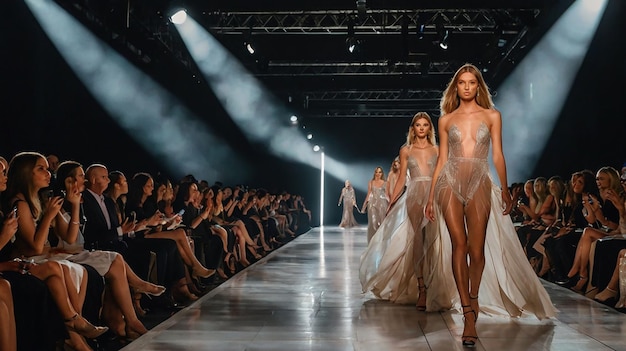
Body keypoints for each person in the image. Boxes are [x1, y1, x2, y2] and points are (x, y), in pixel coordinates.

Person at [424, 63, 556, 347]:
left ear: (479, 86)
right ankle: (468, 313)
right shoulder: (446, 120)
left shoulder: (492, 115)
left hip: (480, 183)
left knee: (476, 248)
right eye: (462, 82)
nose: (467, 87)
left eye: (472, 82)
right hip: (449, 183)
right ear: (456, 87)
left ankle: (474, 298)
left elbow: (497, 155)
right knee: (459, 245)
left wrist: (506, 190)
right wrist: (430, 195)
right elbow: (442, 159)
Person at [360, 112, 438, 309]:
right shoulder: (406, 150)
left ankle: (433, 285)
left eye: (425, 125)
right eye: (418, 125)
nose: (421, 128)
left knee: (434, 242)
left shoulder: (437, 150)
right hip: (413, 197)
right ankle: (421, 288)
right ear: (413, 129)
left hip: (434, 196)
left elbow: (441, 175)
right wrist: (392, 202)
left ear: (430, 128)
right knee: (417, 241)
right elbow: (402, 178)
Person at [360, 167, 388, 243]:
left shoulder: (385, 183)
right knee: (372, 223)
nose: (378, 174)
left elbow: (387, 195)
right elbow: (369, 194)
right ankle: (372, 242)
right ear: (374, 173)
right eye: (376, 172)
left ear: (382, 173)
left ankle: (381, 241)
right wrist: (364, 206)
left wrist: (391, 204)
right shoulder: (371, 182)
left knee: (382, 222)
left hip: (382, 204)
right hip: (372, 204)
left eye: (380, 172)